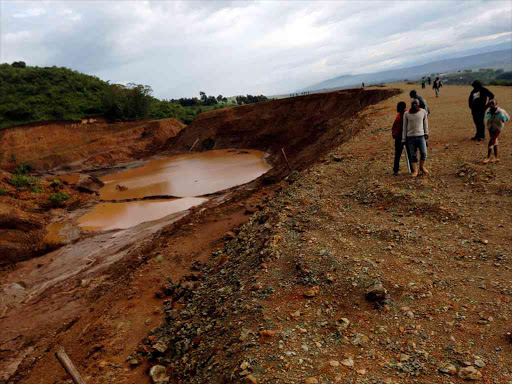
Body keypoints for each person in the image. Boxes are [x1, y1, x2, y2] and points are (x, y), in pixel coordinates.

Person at [402, 99, 429, 177]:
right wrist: (403, 139)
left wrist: (426, 133)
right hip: (410, 137)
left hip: (421, 136)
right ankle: (415, 171)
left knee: (424, 153)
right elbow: (404, 127)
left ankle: (422, 167)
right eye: (413, 104)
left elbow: (425, 123)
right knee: (413, 155)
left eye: (416, 104)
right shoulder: (406, 114)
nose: (415, 105)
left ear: (419, 104)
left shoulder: (423, 112)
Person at [483, 99, 509, 164]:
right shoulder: (489, 111)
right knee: (494, 141)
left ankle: (488, 157)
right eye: (490, 105)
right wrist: (489, 114)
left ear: (496, 104)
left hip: (497, 128)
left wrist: (503, 119)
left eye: (492, 104)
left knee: (491, 141)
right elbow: (487, 117)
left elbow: (507, 118)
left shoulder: (500, 112)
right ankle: (496, 157)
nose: (491, 106)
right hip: (491, 128)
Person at [392, 101, 410, 175]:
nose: (397, 109)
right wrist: (393, 133)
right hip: (400, 137)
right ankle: (396, 170)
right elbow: (394, 126)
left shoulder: (406, 115)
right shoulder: (399, 115)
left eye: (398, 107)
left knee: (407, 154)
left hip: (406, 137)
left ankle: (412, 169)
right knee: (398, 154)